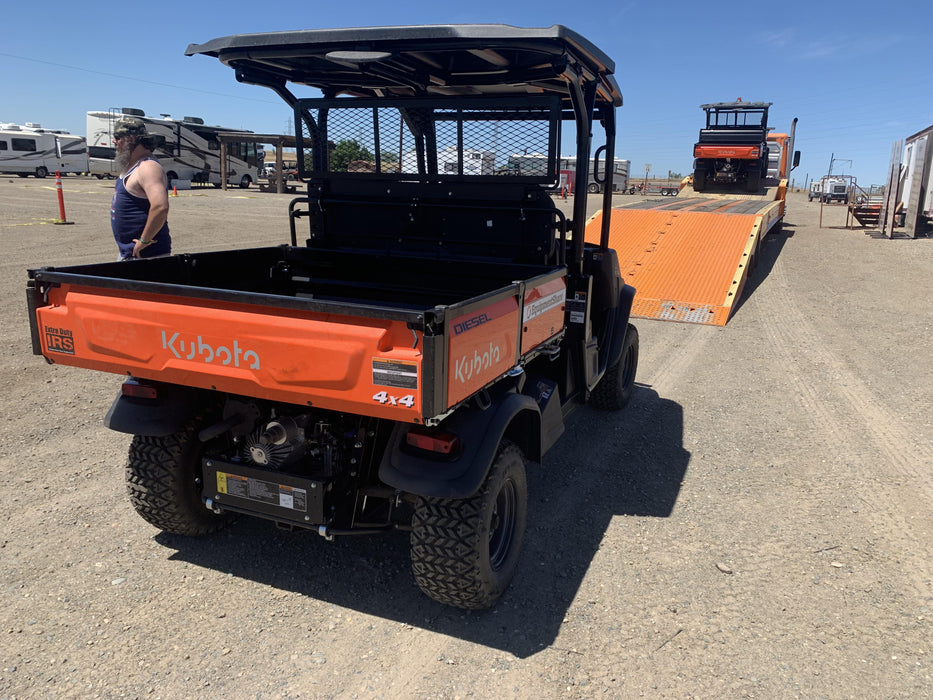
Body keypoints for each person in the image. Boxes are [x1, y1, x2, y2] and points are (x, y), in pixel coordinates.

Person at [110, 117, 171, 260]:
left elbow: (160, 207)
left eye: (117, 137)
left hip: (147, 255)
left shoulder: (148, 167)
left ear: (131, 139)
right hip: (131, 253)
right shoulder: (133, 165)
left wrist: (144, 240)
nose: (114, 141)